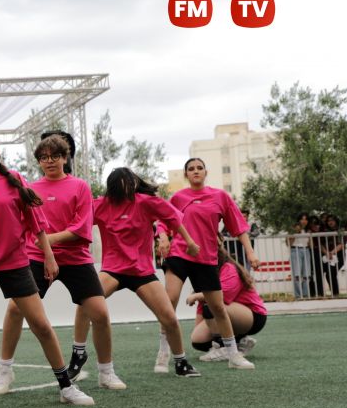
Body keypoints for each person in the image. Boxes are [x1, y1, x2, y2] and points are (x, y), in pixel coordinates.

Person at [0, 133, 94, 407]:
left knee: (41, 326)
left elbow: (36, 221)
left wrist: (48, 256)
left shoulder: (15, 180)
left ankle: (66, 387)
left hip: (14, 261)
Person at [0, 134, 125, 391]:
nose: (50, 161)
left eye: (55, 156)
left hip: (76, 259)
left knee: (100, 314)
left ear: (65, 158)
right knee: (14, 309)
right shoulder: (30, 189)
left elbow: (81, 228)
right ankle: (4, 370)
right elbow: (23, 224)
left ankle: (106, 372)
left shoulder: (80, 186)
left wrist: (48, 240)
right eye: (44, 157)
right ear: (39, 162)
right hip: (37, 258)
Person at [72, 167, 202, 376]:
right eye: (122, 183)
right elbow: (77, 223)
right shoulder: (101, 205)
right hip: (113, 270)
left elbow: (173, 218)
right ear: (113, 187)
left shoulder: (146, 202)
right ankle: (77, 354)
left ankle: (181, 362)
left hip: (142, 272)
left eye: (130, 182)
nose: (127, 187)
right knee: (85, 302)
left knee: (169, 317)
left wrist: (190, 242)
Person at [158, 158, 260, 370]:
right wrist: (164, 237)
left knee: (218, 308)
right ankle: (163, 352)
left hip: (205, 259)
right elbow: (163, 221)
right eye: (191, 169)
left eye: (199, 168)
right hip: (179, 254)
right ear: (186, 174)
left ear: (206, 172)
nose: (195, 171)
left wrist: (250, 253)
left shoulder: (220, 196)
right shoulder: (178, 197)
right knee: (170, 301)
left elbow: (239, 227)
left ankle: (233, 355)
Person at [189, 242, 267, 360]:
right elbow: (202, 306)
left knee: (212, 305)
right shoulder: (204, 274)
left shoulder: (228, 267)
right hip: (232, 313)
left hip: (254, 316)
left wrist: (197, 296)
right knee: (198, 341)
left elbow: (223, 296)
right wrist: (203, 326)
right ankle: (239, 341)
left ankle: (223, 347)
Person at [287, 213, 312, 300]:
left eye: (306, 219)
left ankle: (305, 294)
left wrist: (310, 236)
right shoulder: (293, 228)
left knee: (306, 274)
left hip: (306, 250)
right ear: (298, 220)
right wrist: (295, 232)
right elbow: (288, 244)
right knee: (297, 274)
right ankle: (298, 295)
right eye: (302, 219)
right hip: (295, 250)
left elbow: (311, 245)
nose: (304, 221)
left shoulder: (308, 230)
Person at [321, 214, 343, 297]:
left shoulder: (340, 230)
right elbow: (320, 244)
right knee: (329, 274)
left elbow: (341, 244)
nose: (330, 222)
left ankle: (335, 293)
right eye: (328, 221)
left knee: (332, 272)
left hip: (338, 254)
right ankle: (334, 293)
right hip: (326, 255)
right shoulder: (324, 231)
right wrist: (327, 253)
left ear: (336, 221)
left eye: (332, 220)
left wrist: (332, 252)